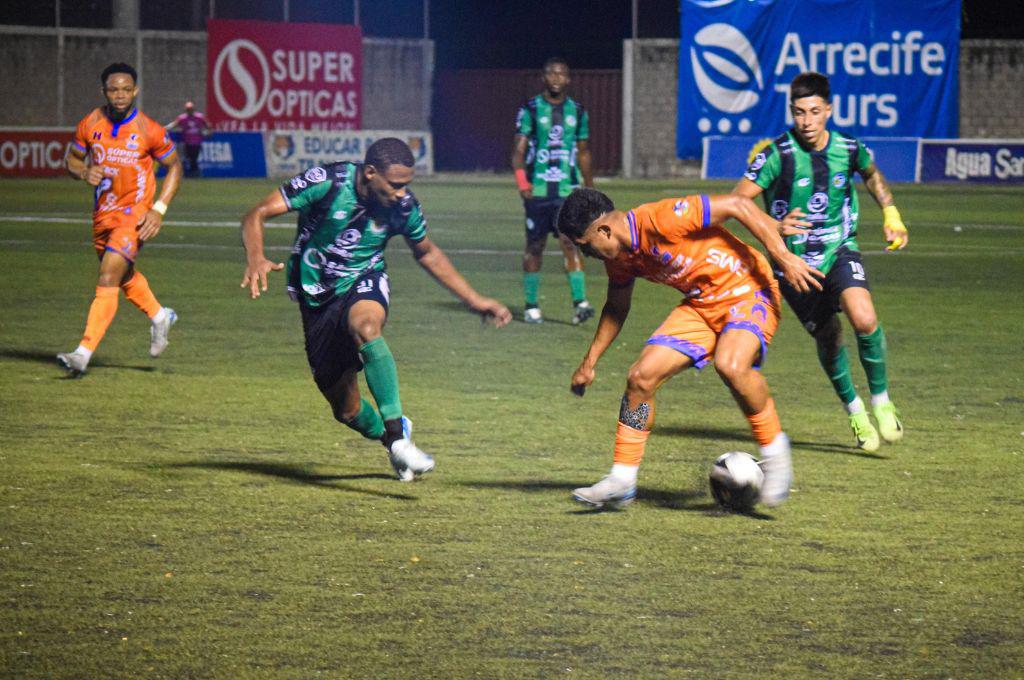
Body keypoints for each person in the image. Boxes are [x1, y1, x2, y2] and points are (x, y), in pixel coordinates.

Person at [240, 138, 512, 481]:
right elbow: (256, 213)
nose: (402, 193)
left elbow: (426, 252)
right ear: (370, 173)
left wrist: (475, 300)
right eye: (395, 184)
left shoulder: (403, 208)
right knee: (348, 411)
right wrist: (256, 257)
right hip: (317, 297)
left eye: (406, 185)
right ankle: (393, 440)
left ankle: (397, 436)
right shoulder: (327, 183)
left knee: (366, 328)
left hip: (364, 281)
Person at [557, 188, 824, 509]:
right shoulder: (619, 260)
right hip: (702, 304)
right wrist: (590, 361)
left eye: (585, 247)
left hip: (749, 290)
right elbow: (616, 306)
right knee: (641, 378)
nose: (588, 256)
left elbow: (738, 204)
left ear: (603, 230)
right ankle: (622, 480)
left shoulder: (660, 218)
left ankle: (776, 456)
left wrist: (783, 256)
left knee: (731, 364)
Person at [733, 71, 907, 453]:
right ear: (791, 112)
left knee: (864, 318)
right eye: (799, 112)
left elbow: (872, 173)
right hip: (793, 264)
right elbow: (738, 203)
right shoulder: (776, 155)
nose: (806, 122)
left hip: (839, 247)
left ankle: (881, 400)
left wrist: (891, 213)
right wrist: (775, 225)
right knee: (830, 337)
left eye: (814, 112)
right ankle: (855, 410)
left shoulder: (848, 147)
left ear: (829, 109)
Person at [58, 62, 183, 377]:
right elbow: (71, 159)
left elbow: (175, 166)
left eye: (126, 89)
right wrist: (84, 171)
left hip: (134, 214)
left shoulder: (149, 130)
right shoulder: (90, 123)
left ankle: (82, 353)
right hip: (103, 215)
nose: (120, 95)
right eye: (113, 89)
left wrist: (159, 209)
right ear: (104, 91)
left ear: (135, 90)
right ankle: (159, 317)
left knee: (108, 277)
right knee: (124, 277)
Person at [511, 57, 595, 325]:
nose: (556, 78)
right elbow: (518, 151)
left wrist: (589, 188)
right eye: (551, 74)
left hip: (567, 191)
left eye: (561, 74)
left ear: (568, 79)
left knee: (571, 243)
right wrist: (523, 184)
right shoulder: (531, 110)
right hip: (537, 192)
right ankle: (531, 305)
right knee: (535, 247)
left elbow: (583, 152)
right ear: (543, 77)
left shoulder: (578, 112)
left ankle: (580, 303)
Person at [165, 101, 209, 177]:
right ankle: (189, 173)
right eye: (188, 109)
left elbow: (208, 127)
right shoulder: (183, 118)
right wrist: (165, 128)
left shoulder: (199, 117)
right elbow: (174, 124)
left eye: (191, 109)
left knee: (194, 158)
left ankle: (195, 173)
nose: (190, 111)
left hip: (197, 142)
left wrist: (206, 132)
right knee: (187, 158)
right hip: (187, 142)